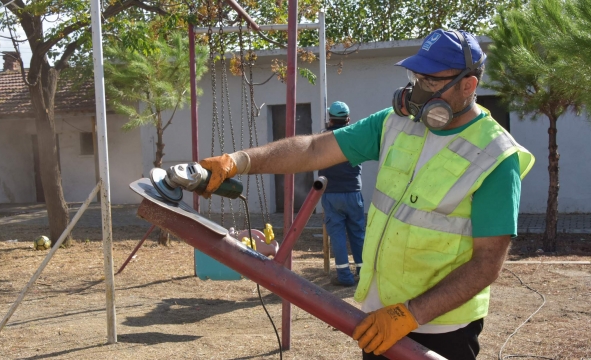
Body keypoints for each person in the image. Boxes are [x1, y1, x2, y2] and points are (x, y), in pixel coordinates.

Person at [196, 29, 535, 360]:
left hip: (441, 330)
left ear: (468, 85)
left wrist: (410, 315)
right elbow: (314, 149)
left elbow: (486, 263)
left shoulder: (495, 157)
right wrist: (239, 161)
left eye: (431, 82)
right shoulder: (395, 123)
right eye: (416, 78)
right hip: (379, 318)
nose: (417, 91)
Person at [318, 101, 366, 287]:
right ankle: (363, 273)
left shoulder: (322, 138)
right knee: (358, 234)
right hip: (353, 193)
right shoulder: (356, 135)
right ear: (348, 119)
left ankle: (344, 276)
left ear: (330, 119)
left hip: (331, 193)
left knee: (337, 235)